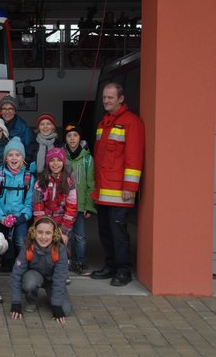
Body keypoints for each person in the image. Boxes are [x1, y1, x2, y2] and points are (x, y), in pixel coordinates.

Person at [90, 82, 144, 287]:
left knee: (118, 233)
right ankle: (110, 265)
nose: (106, 101)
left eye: (110, 98)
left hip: (120, 192)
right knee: (104, 231)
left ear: (121, 98)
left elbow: (134, 157)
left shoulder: (132, 122)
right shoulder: (104, 123)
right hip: (103, 190)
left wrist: (130, 188)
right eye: (104, 97)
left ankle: (124, 270)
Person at [10, 216, 71, 325]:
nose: (43, 237)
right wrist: (16, 303)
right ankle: (32, 300)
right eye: (40, 232)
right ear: (34, 232)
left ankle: (52, 297)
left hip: (53, 280)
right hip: (34, 276)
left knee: (65, 310)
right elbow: (16, 274)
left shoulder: (60, 250)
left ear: (54, 234)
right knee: (29, 282)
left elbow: (60, 279)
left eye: (48, 233)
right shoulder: (28, 247)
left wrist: (56, 305)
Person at [0, 137, 34, 270]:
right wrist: (1, 217)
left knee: (20, 240)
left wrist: (24, 216)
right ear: (5, 158)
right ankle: (4, 263)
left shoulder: (28, 177)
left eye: (17, 155)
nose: (14, 158)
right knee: (1, 240)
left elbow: (31, 201)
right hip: (2, 216)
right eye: (10, 155)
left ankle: (24, 264)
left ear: (22, 158)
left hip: (20, 217)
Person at [63, 123, 96, 275]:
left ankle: (80, 261)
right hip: (65, 206)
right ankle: (67, 260)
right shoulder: (61, 156)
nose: (72, 139)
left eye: (75, 135)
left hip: (80, 205)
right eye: (69, 136)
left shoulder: (87, 159)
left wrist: (89, 206)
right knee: (66, 234)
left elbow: (91, 184)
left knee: (80, 236)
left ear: (80, 138)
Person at [32, 147, 77, 244]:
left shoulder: (69, 182)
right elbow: (37, 207)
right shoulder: (40, 182)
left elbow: (71, 208)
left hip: (62, 223)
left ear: (63, 162)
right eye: (52, 160)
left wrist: (64, 231)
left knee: (62, 249)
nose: (55, 163)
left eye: (59, 160)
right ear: (47, 163)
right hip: (45, 222)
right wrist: (44, 226)